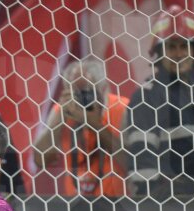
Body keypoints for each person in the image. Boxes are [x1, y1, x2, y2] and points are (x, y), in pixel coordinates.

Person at [123, 5, 194, 199]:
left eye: (184, 46)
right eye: (171, 47)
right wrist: (155, 204)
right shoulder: (146, 96)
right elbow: (142, 162)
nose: (178, 54)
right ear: (159, 52)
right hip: (167, 206)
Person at [33, 58, 127, 197]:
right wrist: (60, 118)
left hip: (117, 204)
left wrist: (96, 125)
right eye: (76, 92)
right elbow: (40, 159)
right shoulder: (63, 110)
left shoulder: (121, 108)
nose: (82, 98)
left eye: (87, 92)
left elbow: (130, 162)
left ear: (103, 89)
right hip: (76, 205)